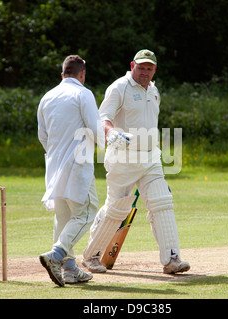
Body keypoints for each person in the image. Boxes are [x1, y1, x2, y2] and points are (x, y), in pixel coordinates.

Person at [82, 49, 190, 275]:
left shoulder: (154, 90)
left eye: (149, 68)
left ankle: (171, 259)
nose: (145, 72)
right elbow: (103, 118)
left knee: (162, 202)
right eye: (141, 67)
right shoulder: (119, 87)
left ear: (154, 70)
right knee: (117, 209)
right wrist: (111, 133)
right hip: (124, 156)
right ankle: (92, 256)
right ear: (132, 65)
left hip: (151, 157)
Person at [37, 55, 104, 287]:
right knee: (86, 213)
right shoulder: (83, 94)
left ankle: (70, 270)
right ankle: (55, 256)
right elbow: (97, 131)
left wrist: (59, 154)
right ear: (82, 74)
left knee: (64, 218)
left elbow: (42, 136)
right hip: (78, 166)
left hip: (54, 167)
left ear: (62, 74)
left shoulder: (47, 97)